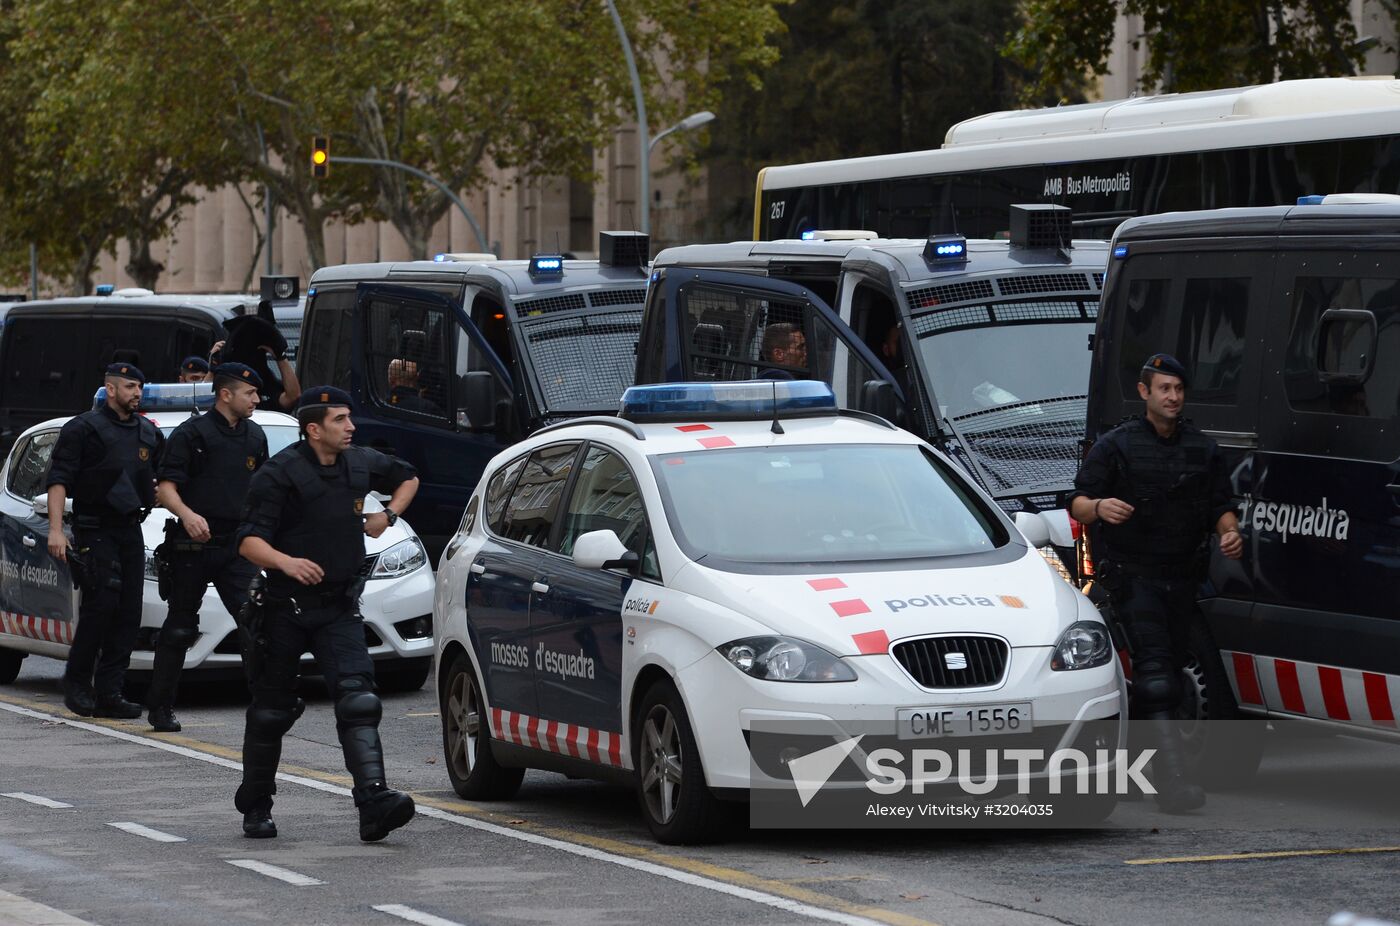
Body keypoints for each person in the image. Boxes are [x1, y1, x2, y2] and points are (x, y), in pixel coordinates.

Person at [233, 386, 420, 841]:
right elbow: (247, 542)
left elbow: (408, 478)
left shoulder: (359, 462)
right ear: (314, 428)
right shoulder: (280, 474)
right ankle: (256, 806)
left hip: (339, 606)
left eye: (349, 418)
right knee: (272, 712)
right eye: (340, 420)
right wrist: (286, 562)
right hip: (284, 609)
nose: (350, 426)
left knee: (359, 701)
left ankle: (373, 802)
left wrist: (389, 517)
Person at [1069, 352, 1243, 814]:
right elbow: (1077, 501)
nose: (1172, 397)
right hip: (1135, 576)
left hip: (1183, 577)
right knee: (1156, 675)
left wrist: (1229, 532)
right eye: (1164, 389)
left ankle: (1153, 771)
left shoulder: (1201, 449)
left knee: (1179, 677)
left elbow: (1219, 504)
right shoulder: (1117, 445)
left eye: (1179, 389)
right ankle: (1171, 783)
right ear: (1145, 392)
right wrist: (1101, 506)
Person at [148, 363, 269, 733]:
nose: (256, 399)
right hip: (192, 546)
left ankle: (265, 703)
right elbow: (165, 489)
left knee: (254, 621)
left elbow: (264, 491)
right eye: (250, 393)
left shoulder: (255, 436)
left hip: (236, 547)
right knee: (181, 627)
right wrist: (188, 515)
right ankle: (160, 707)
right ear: (226, 394)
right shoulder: (191, 434)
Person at [44, 363, 164, 718]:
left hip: (130, 528)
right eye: (129, 386)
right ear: (110, 390)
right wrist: (55, 530)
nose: (136, 393)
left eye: (139, 387)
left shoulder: (147, 431)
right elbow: (58, 480)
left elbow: (162, 477)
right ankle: (77, 683)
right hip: (94, 529)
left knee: (128, 612)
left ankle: (111, 691)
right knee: (101, 607)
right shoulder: (83, 429)